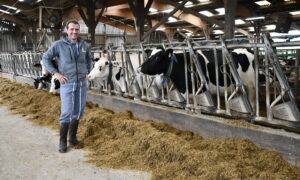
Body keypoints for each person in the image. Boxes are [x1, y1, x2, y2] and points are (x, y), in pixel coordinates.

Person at [42, 19, 92, 153]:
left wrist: (87, 72)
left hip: (81, 83)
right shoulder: (59, 45)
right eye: (72, 29)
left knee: (78, 111)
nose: (74, 32)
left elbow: (88, 59)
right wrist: (56, 74)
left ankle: (73, 138)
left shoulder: (83, 45)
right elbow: (45, 58)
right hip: (67, 83)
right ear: (66, 30)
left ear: (79, 31)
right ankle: (62, 142)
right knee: (66, 112)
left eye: (76, 29)